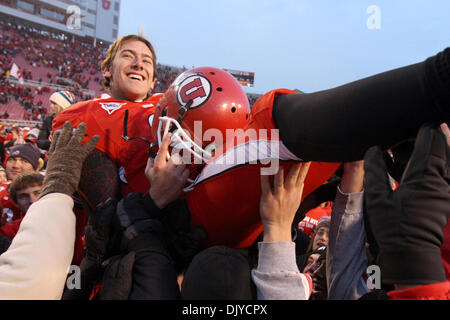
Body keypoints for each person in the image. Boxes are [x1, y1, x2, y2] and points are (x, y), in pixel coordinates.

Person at [0, 121, 99, 300]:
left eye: (38, 193)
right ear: (15, 201)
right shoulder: (7, 232)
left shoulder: (76, 221)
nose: (31, 200)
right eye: (24, 196)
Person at [0, 143, 42, 226]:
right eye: (12, 159)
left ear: (36, 168)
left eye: (25, 161)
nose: (16, 165)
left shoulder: (46, 191)